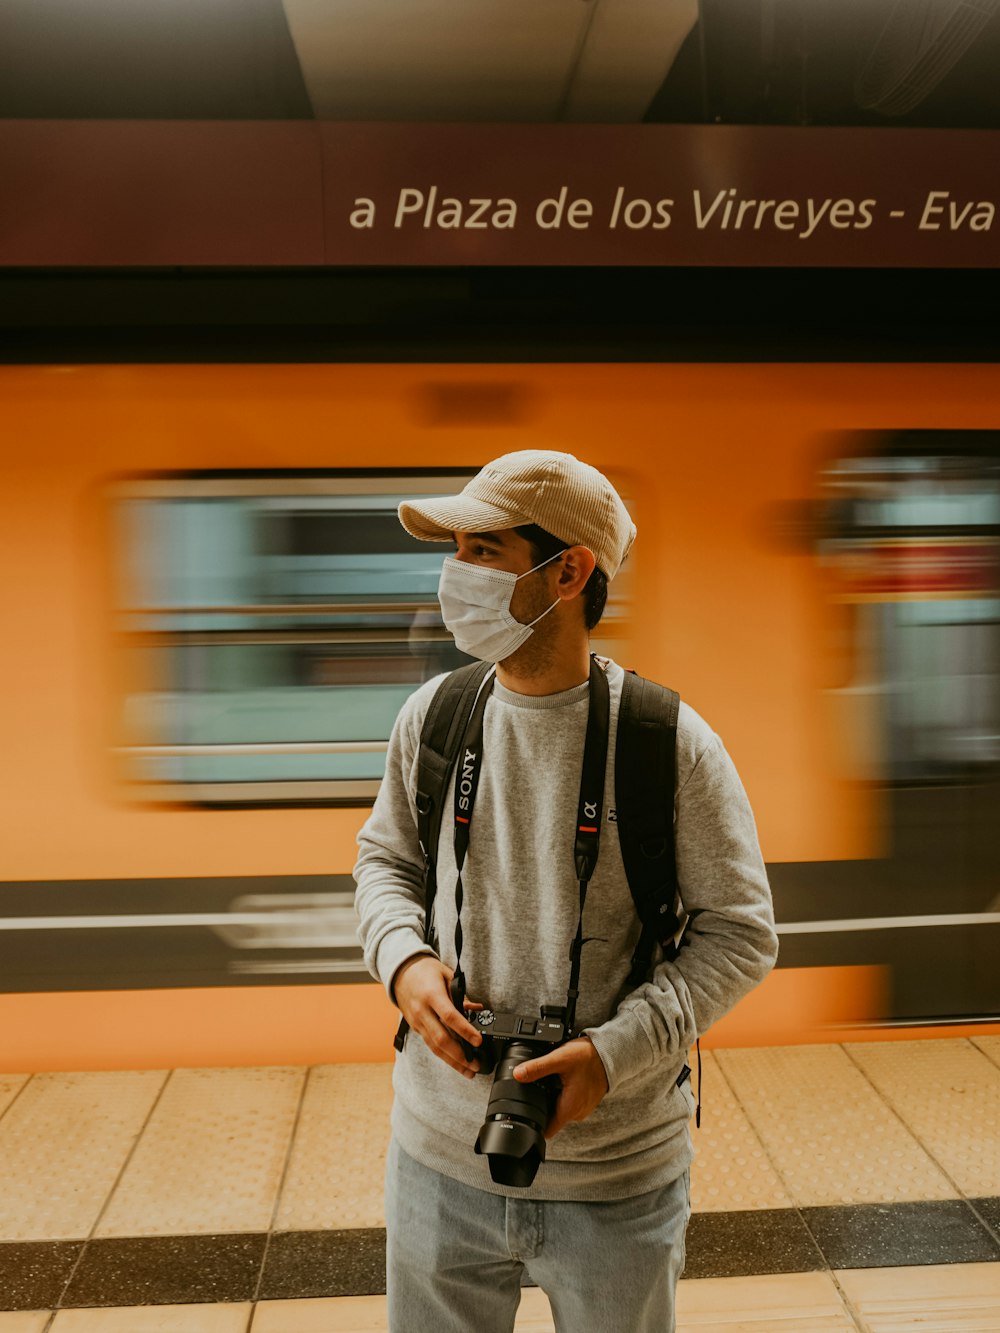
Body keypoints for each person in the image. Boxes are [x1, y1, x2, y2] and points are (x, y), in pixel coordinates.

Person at [354, 449, 778, 1333]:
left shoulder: (669, 743)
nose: (454, 576)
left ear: (569, 570)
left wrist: (613, 1054)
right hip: (437, 1162)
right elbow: (384, 864)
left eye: (483, 550)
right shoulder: (432, 718)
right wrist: (404, 962)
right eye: (457, 551)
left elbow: (739, 933)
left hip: (619, 1179)